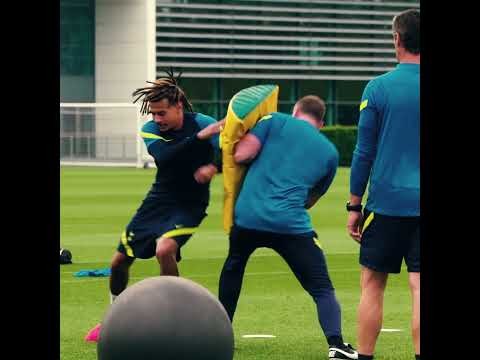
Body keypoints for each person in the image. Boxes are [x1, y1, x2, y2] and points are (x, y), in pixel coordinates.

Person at [85, 69, 224, 342]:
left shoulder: (202, 122)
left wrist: (214, 167)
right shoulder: (152, 130)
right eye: (153, 113)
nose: (156, 119)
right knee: (118, 262)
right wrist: (198, 139)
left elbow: (230, 152)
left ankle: (174, 319)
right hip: (158, 201)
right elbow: (166, 158)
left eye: (162, 113)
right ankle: (115, 317)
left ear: (179, 107)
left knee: (165, 249)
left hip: (190, 203)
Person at [218, 95, 358, 360]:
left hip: (247, 216)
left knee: (234, 267)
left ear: (295, 111)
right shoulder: (330, 152)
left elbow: (241, 154)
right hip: (289, 224)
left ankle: (218, 335)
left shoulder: (273, 120)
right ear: (322, 122)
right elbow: (309, 201)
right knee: (321, 287)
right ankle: (336, 344)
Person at [346, 9, 420, 360]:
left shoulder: (377, 88)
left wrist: (354, 205)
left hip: (387, 204)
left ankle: (365, 357)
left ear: (397, 39)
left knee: (372, 286)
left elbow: (363, 152)